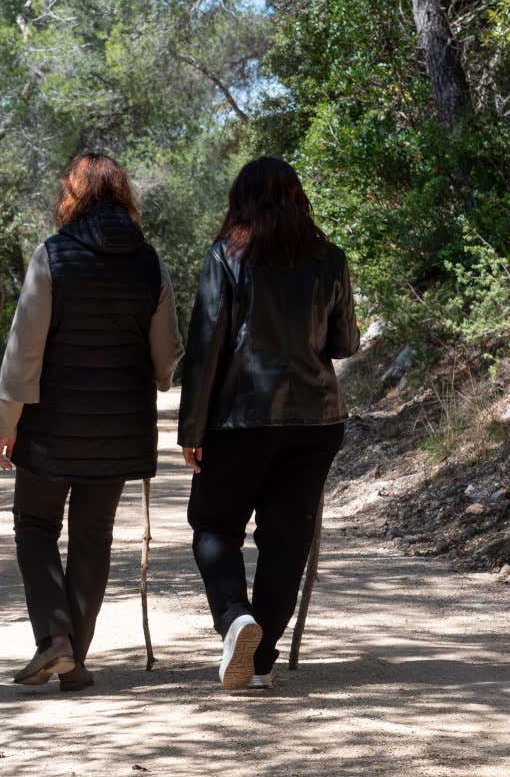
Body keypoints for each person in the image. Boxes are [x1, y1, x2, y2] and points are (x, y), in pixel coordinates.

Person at [0, 153, 183, 692]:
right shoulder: (150, 262)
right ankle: (73, 659)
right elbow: (167, 356)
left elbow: (23, 351)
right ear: (124, 196)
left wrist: (8, 420)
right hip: (120, 425)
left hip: (50, 425)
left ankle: (56, 642)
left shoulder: (53, 256)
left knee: (34, 526)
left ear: (72, 197)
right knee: (93, 537)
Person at [177, 157, 360, 691]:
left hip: (239, 419)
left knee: (214, 526)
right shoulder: (331, 259)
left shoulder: (226, 256)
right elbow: (345, 344)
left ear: (242, 199)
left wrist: (192, 429)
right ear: (298, 196)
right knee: (286, 539)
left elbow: (207, 348)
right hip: (316, 420)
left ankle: (236, 618)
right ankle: (259, 660)